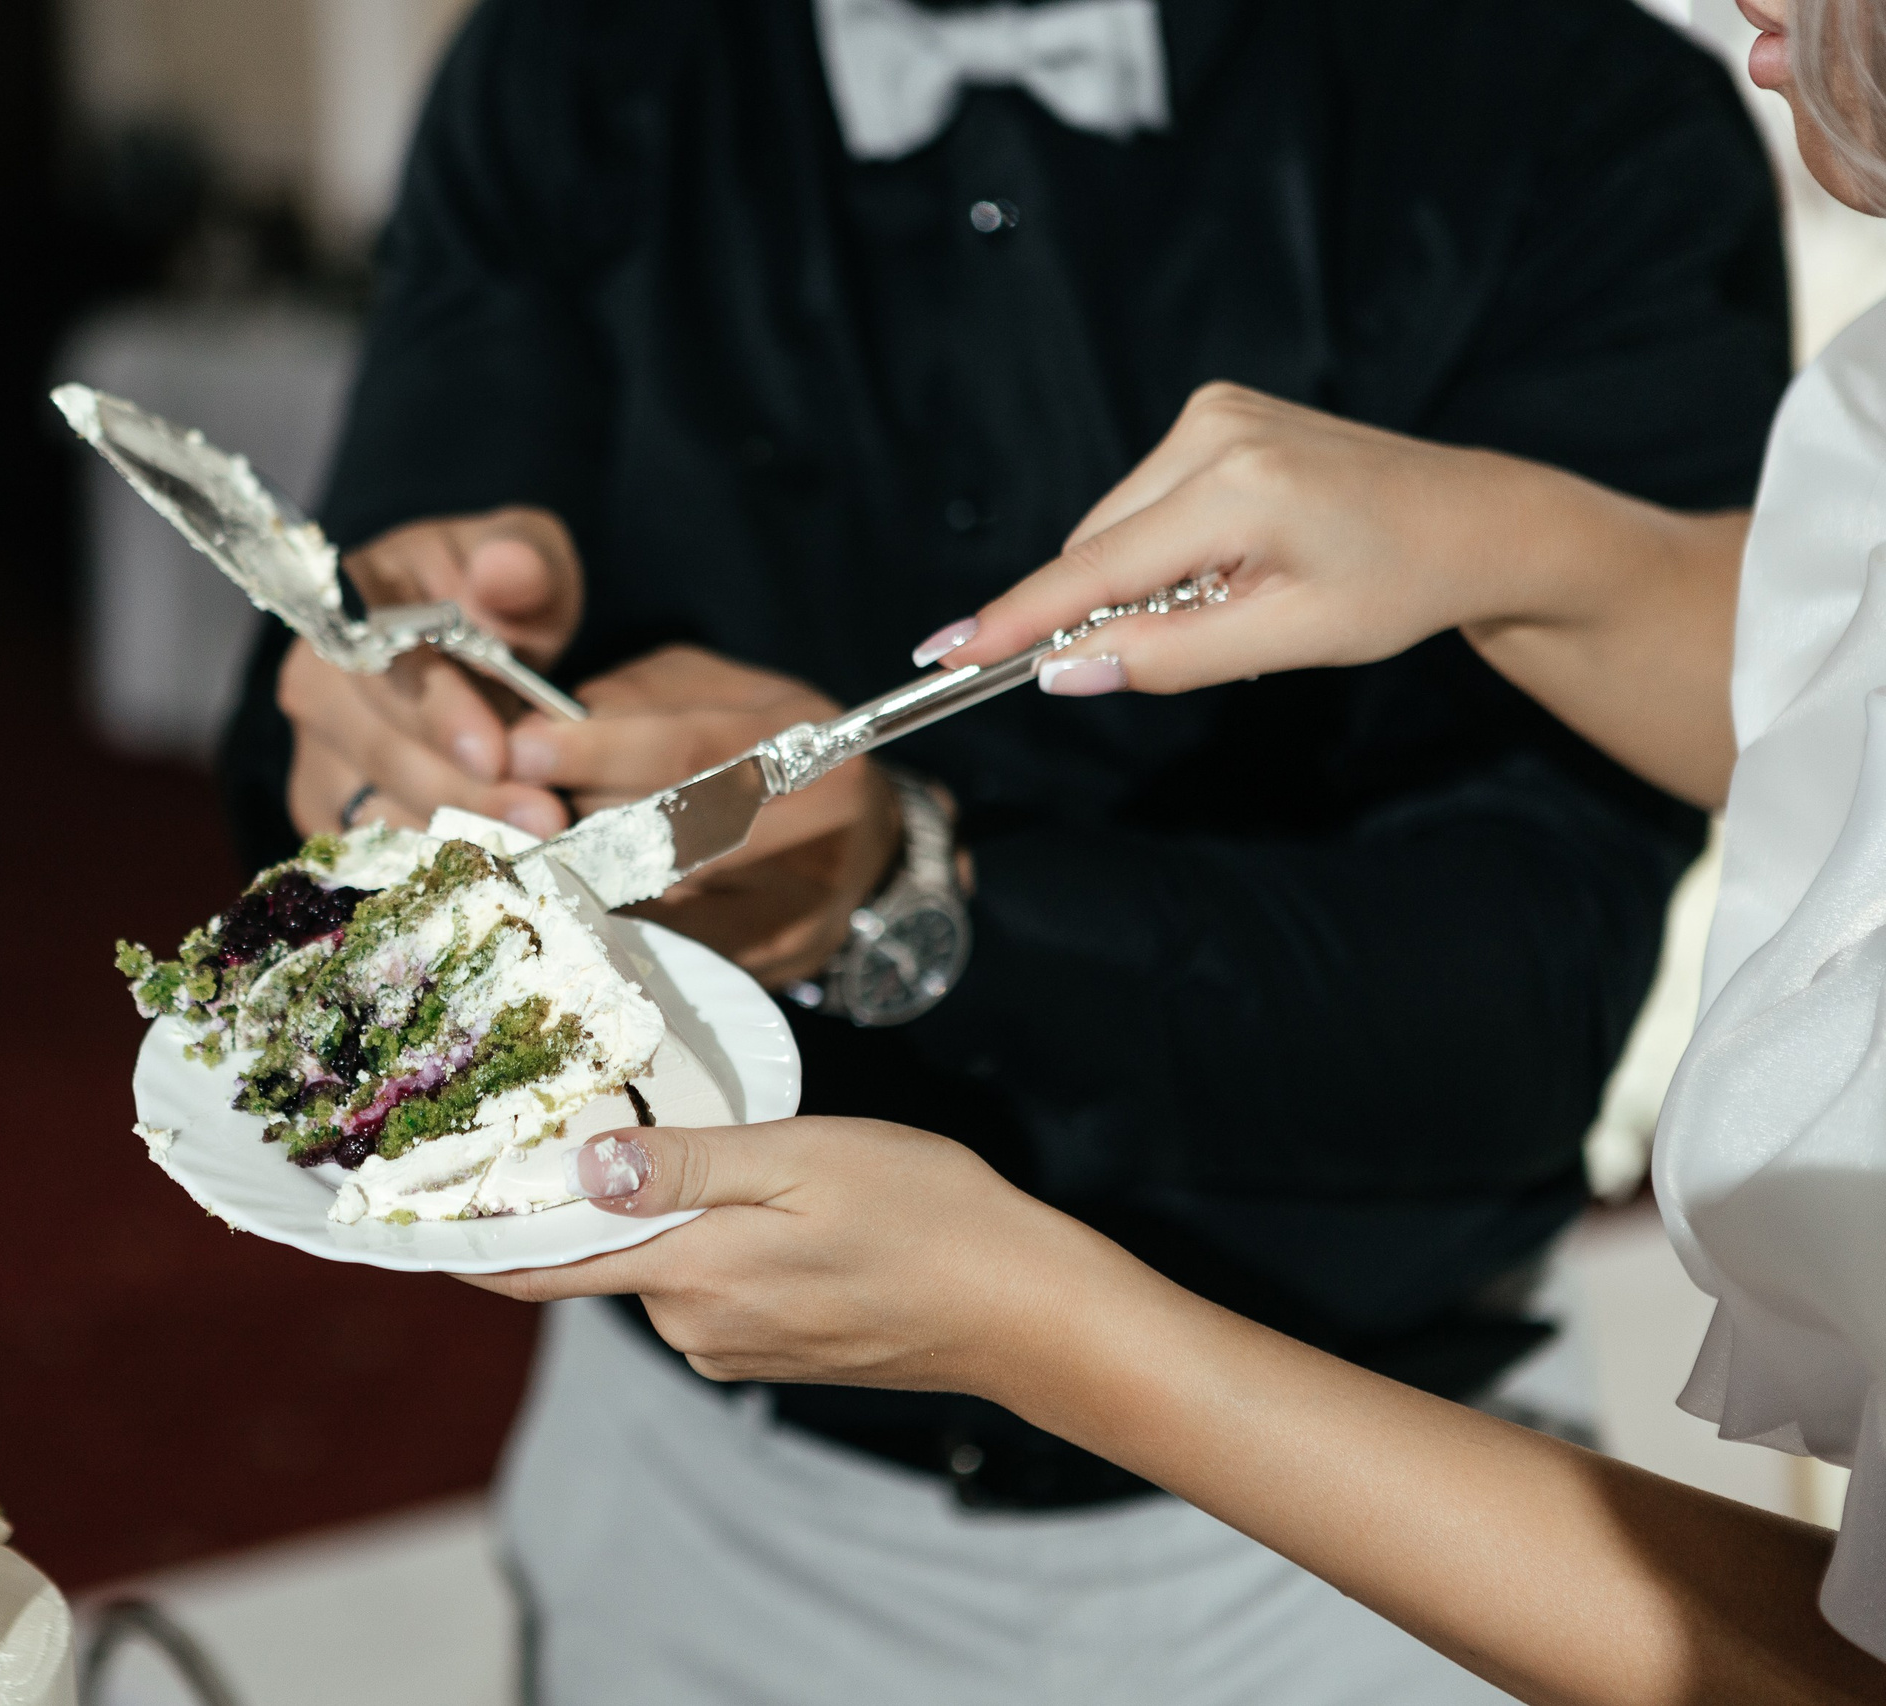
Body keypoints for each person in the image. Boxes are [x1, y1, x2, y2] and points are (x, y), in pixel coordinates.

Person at [222, 2, 1792, 1699]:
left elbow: (1526, 1009)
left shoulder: (1571, 105)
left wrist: (919, 894)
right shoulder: (563, 64)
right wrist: (382, 741)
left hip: (1366, 1528)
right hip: (702, 1500)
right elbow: (316, 735)